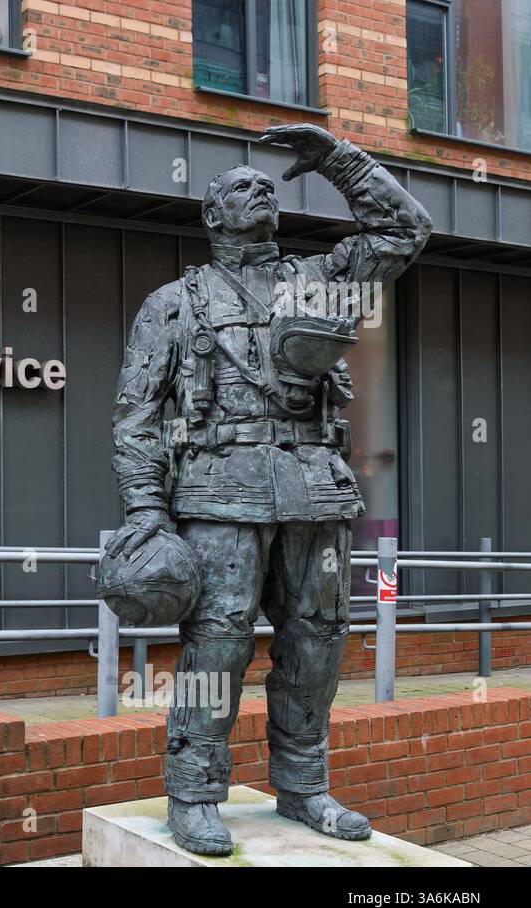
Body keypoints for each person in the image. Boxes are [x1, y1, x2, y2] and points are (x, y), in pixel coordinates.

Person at [106, 124, 431, 855]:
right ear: (212, 216)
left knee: (317, 644)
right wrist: (146, 512)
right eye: (236, 187)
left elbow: (407, 229)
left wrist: (339, 161)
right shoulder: (174, 302)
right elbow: (136, 416)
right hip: (219, 494)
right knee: (216, 647)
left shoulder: (321, 280)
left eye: (266, 184)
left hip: (315, 490)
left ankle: (305, 786)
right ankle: (192, 792)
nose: (258, 188)